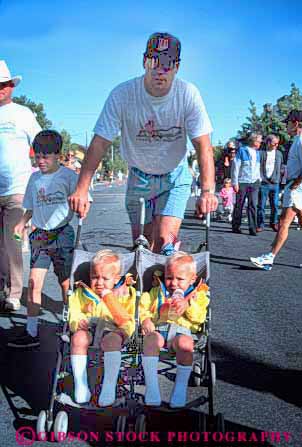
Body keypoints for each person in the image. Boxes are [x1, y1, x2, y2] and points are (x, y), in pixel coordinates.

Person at [69, 32, 217, 255]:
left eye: (167, 64)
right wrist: (81, 189)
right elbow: (99, 143)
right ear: (144, 62)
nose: (160, 70)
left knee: (164, 243)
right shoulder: (123, 94)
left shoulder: (187, 94)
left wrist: (207, 191)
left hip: (174, 176)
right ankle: (143, 288)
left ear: (176, 67)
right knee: (143, 246)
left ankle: (169, 283)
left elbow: (203, 146)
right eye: (153, 61)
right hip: (139, 176)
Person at [8, 130, 91, 348]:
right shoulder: (34, 179)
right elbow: (31, 206)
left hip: (62, 233)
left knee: (65, 283)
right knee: (34, 282)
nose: (40, 161)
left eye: (45, 157)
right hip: (41, 236)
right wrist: (21, 222)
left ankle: (72, 324)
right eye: (37, 157)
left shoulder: (69, 177)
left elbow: (84, 198)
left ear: (57, 155)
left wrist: (83, 207)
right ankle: (31, 331)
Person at [139, 252, 209, 408]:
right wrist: (145, 319)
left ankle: (180, 387)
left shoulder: (197, 294)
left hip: (182, 332)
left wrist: (188, 305)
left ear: (192, 279)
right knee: (150, 340)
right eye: (169, 278)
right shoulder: (157, 291)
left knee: (185, 344)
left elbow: (200, 317)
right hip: (158, 329)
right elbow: (143, 306)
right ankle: (152, 387)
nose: (173, 283)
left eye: (180, 279)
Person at [68, 249, 136, 405]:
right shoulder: (82, 292)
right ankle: (81, 384)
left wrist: (109, 298)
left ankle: (109, 386)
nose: (99, 282)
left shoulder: (126, 294)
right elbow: (74, 311)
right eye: (94, 277)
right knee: (78, 338)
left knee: (112, 340)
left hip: (113, 330)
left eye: (105, 278)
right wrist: (77, 322)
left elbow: (129, 320)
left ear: (116, 279)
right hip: (89, 328)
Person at [0, 60, 41, 310]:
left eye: (4, 84)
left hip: (17, 189)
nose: (0, 89)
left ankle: (14, 294)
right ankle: (2, 288)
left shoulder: (22, 114)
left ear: (11, 87)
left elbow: (41, 144)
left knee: (12, 241)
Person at [250, 110, 302, 270]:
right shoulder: (297, 140)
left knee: (283, 222)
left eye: (288, 122)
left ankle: (270, 257)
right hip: (296, 186)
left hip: (296, 187)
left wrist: (295, 184)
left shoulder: (300, 141)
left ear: (296, 123)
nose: (285, 125)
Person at [231, 132, 263, 235]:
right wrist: (235, 182)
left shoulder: (258, 153)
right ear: (253, 141)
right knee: (239, 205)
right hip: (242, 182)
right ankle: (236, 226)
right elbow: (235, 167)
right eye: (259, 141)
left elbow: (258, 168)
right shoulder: (242, 150)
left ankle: (252, 228)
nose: (260, 143)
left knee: (253, 205)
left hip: (254, 183)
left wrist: (259, 179)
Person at [256, 134, 283, 232]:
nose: (276, 145)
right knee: (261, 205)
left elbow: (281, 168)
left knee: (275, 205)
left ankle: (273, 223)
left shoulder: (279, 154)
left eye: (277, 144)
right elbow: (257, 167)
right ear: (268, 143)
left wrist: (280, 179)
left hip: (275, 183)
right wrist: (260, 178)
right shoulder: (261, 153)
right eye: (274, 143)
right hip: (263, 183)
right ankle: (260, 224)